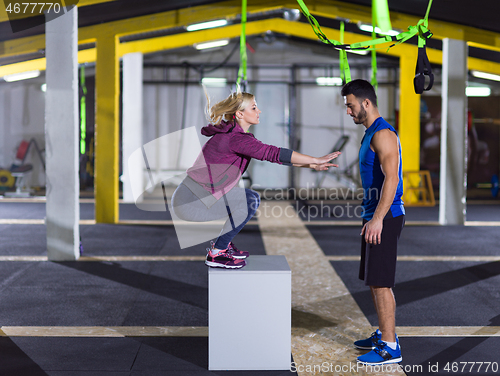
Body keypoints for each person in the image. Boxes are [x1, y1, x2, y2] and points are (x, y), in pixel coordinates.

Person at [171, 89, 340, 269]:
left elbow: (274, 157)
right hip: (191, 202)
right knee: (249, 200)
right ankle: (218, 252)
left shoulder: (233, 135)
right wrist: (314, 159)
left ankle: (222, 247)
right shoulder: (235, 138)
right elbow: (273, 153)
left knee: (248, 199)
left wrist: (311, 166)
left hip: (190, 198)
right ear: (240, 114)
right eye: (254, 107)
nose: (259, 111)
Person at [341, 79, 405, 365]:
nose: (348, 111)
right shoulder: (369, 133)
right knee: (373, 280)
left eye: (350, 106)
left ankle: (390, 347)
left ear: (366, 103)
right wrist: (371, 217)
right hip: (374, 216)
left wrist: (378, 218)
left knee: (381, 283)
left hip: (386, 216)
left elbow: (392, 178)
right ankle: (383, 332)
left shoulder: (383, 134)